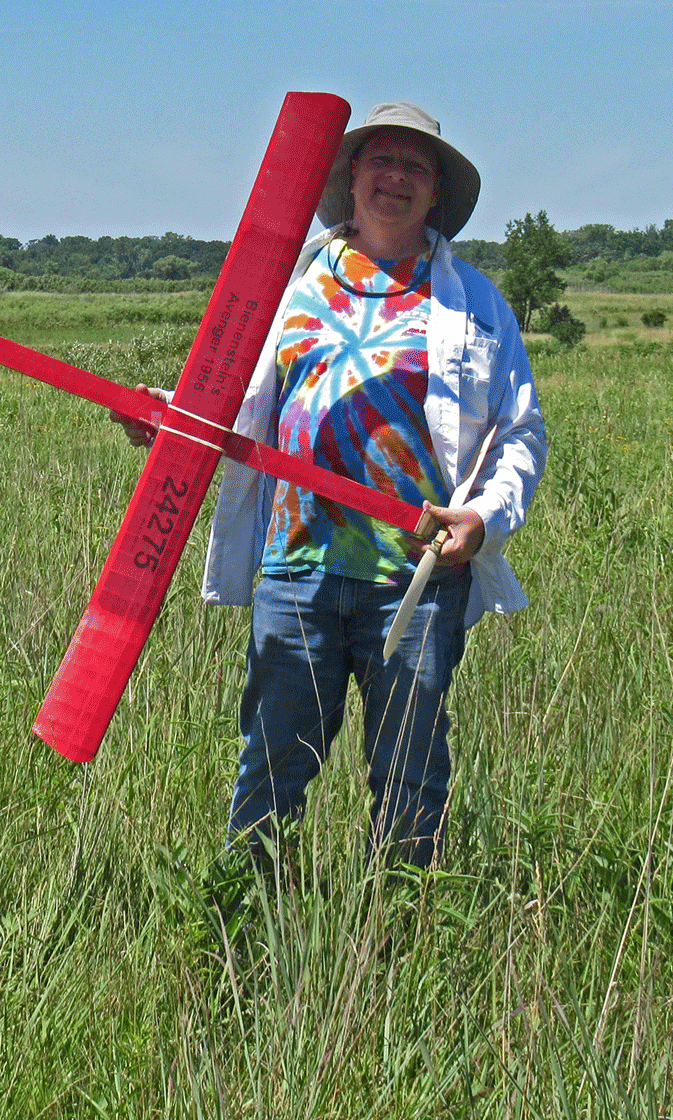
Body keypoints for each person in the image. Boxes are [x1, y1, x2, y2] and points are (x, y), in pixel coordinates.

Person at [116, 102, 545, 869]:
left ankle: (400, 922)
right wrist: (174, 419)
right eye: (382, 160)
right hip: (296, 574)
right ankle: (245, 918)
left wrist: (483, 518)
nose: (395, 178)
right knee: (270, 771)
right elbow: (234, 405)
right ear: (352, 176)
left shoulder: (475, 303)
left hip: (415, 582)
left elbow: (520, 433)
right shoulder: (288, 289)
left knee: (411, 778)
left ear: (437, 191)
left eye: (415, 167)